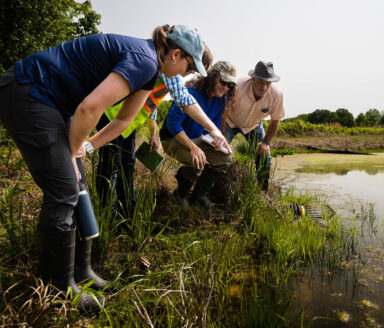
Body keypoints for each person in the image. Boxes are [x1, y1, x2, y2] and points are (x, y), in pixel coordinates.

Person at [0, 24, 231, 313]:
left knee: (78, 185)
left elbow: (122, 122)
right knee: (64, 190)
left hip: (52, 104)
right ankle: (58, 289)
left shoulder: (150, 71)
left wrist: (88, 147)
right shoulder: (144, 59)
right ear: (175, 54)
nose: (186, 75)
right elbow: (89, 109)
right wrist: (72, 151)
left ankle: (81, 272)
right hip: (29, 92)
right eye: (188, 67)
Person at [160, 61, 236, 208]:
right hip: (172, 137)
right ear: (213, 76)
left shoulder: (221, 100)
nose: (226, 87)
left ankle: (198, 195)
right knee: (198, 161)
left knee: (226, 160)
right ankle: (181, 194)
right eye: (223, 81)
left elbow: (214, 126)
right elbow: (172, 124)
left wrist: (219, 141)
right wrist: (193, 148)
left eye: (230, 85)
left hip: (197, 137)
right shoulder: (189, 92)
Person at [222, 61, 284, 191]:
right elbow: (223, 112)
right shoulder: (237, 86)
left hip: (253, 125)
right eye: (261, 82)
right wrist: (222, 137)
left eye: (268, 83)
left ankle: (263, 192)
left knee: (264, 156)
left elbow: (275, 120)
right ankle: (211, 189)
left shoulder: (276, 95)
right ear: (253, 79)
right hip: (229, 121)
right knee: (220, 151)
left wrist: (266, 142)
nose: (264, 87)